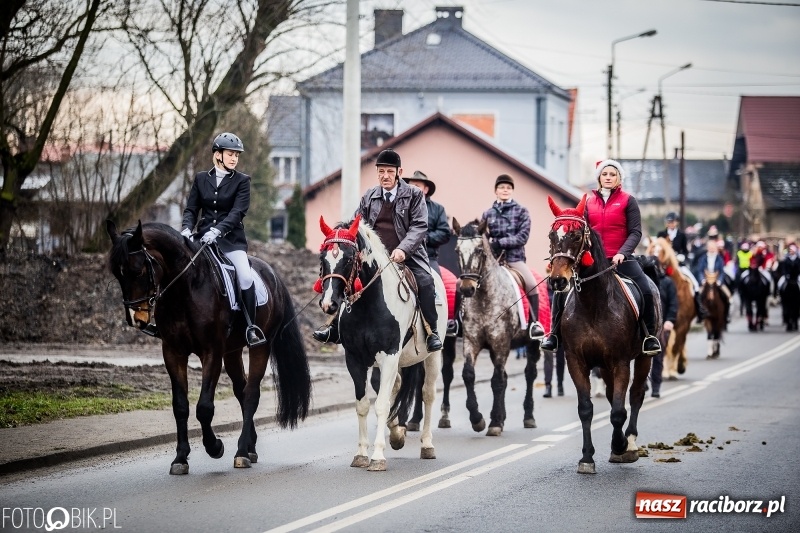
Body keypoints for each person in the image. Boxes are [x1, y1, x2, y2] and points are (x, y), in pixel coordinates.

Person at [313, 148, 443, 352]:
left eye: (390, 172)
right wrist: (341, 237)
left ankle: (431, 332)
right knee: (346, 278)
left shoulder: (415, 195)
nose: (385, 176)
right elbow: (355, 223)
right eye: (381, 171)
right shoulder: (369, 196)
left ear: (400, 172)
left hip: (407, 256)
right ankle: (334, 328)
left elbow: (419, 227)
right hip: (374, 258)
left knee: (426, 282)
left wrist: (403, 250)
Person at [541, 159, 661, 355]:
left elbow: (636, 232)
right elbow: (579, 231)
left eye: (612, 174)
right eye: (604, 174)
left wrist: (623, 252)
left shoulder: (628, 200)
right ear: (599, 177)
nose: (608, 177)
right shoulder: (588, 203)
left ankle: (649, 336)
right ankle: (554, 334)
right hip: (594, 261)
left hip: (621, 258)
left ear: (618, 178)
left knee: (645, 288)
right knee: (562, 290)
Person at [181, 132, 265, 346]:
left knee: (245, 277)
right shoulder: (201, 179)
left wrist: (217, 231)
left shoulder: (242, 181)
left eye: (237, 155)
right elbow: (192, 208)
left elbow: (237, 212)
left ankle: (250, 327)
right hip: (202, 239)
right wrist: (186, 229)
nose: (234, 158)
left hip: (231, 241)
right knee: (180, 270)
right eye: (230, 154)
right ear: (217, 155)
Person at [481, 174, 545, 340]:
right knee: (465, 282)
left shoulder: (521, 211)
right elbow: (482, 237)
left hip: (514, 259)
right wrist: (488, 244)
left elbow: (522, 237)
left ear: (512, 191)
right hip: (493, 261)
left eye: (508, 188)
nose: (505, 190)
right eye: (502, 187)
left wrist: (500, 242)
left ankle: (534, 324)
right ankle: (461, 322)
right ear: (496, 191)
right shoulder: (487, 213)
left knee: (532, 285)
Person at [406, 170, 451, 277]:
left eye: (417, 185)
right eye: (410, 185)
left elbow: (444, 233)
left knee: (434, 284)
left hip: (428, 257)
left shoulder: (438, 209)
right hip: (402, 255)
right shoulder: (399, 207)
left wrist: (424, 238)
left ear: (426, 189)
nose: (413, 188)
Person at [651, 259, 678, 398]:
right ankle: (641, 383)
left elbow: (673, 303)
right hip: (646, 324)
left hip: (661, 324)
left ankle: (656, 385)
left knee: (657, 356)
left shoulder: (667, 282)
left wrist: (670, 320)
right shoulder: (643, 281)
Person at [693, 238, 731, 325]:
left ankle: (726, 315)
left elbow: (722, 271)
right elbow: (700, 270)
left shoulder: (719, 259)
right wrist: (702, 280)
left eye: (713, 247)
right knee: (697, 295)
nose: (712, 249)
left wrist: (719, 281)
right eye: (710, 247)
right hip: (706, 281)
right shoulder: (703, 258)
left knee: (728, 296)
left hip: (716, 281)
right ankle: (700, 315)